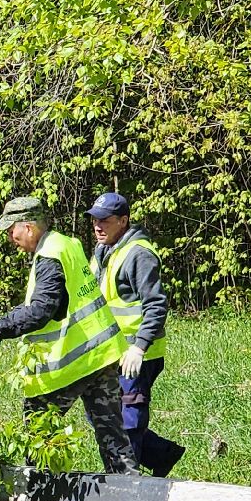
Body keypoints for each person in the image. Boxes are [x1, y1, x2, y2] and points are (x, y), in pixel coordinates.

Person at [0, 196, 137, 473]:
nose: (10, 236)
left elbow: (42, 309)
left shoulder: (49, 256)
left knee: (38, 433)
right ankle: (131, 491)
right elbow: (60, 301)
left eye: (12, 229)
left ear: (29, 227)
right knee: (113, 437)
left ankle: (38, 493)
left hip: (69, 364)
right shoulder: (66, 244)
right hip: (101, 355)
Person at [87, 192, 186, 477]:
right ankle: (162, 455)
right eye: (95, 220)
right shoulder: (103, 252)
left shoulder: (138, 254)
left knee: (129, 417)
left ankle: (126, 482)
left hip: (136, 356)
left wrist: (139, 347)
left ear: (123, 221)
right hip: (111, 353)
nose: (98, 226)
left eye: (105, 220)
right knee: (102, 414)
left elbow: (156, 304)